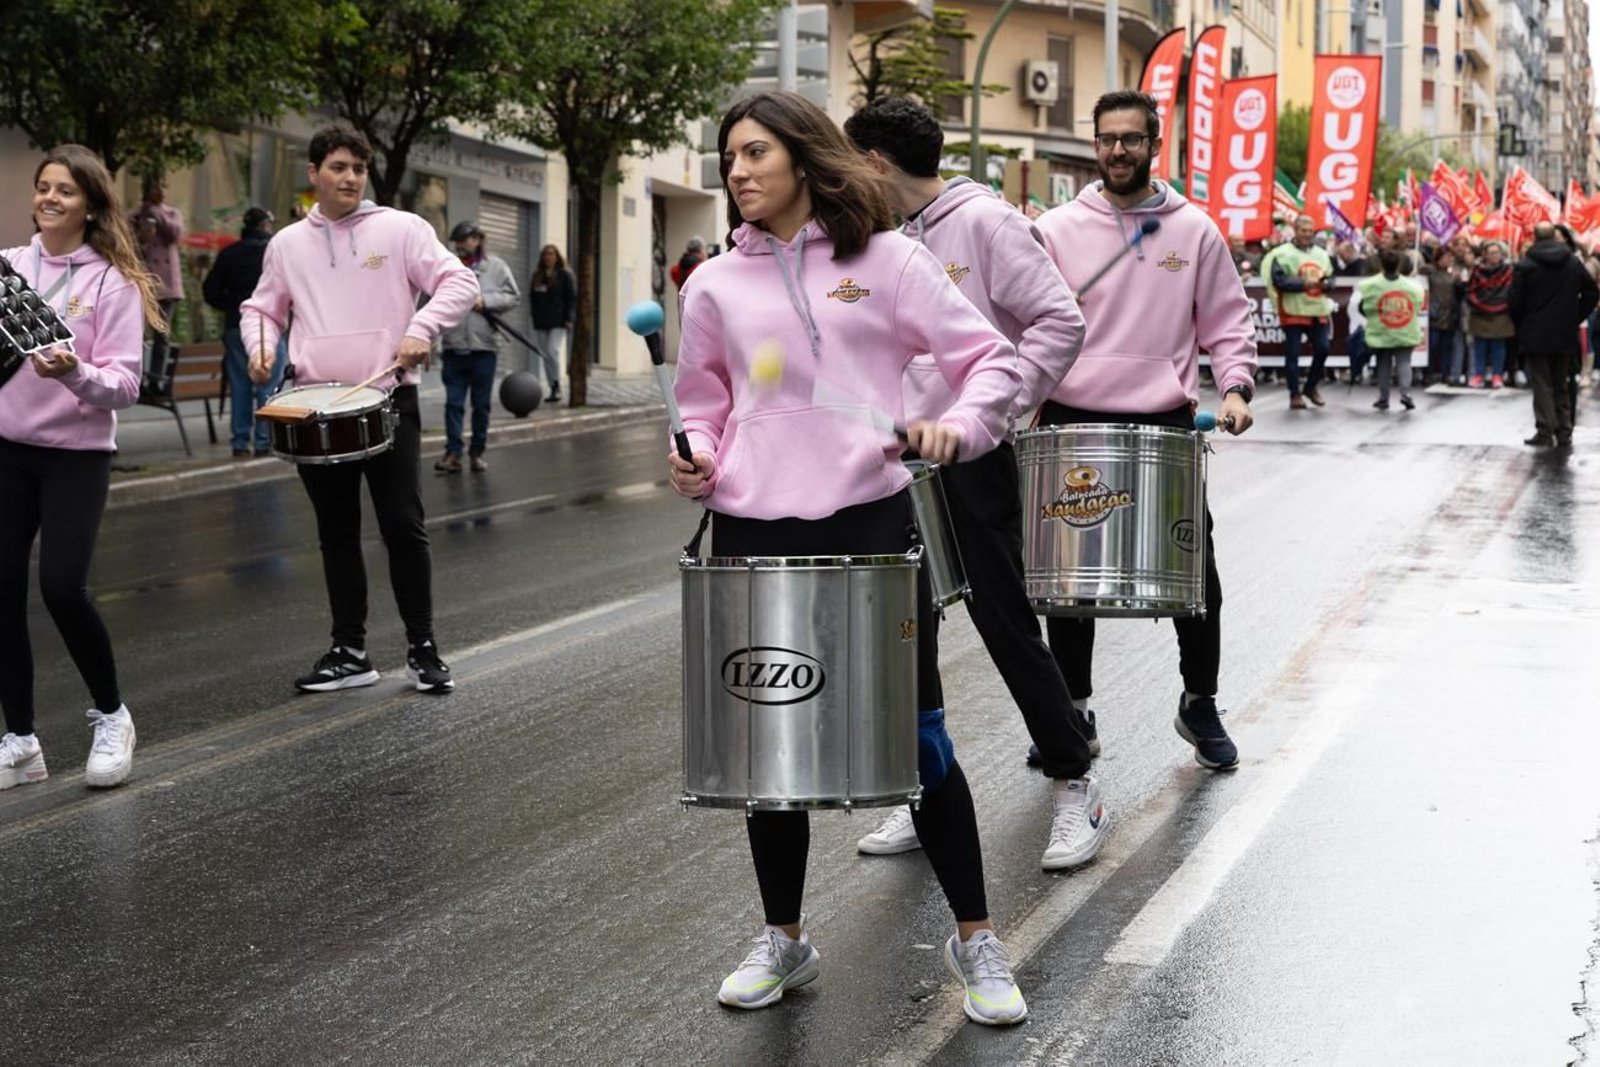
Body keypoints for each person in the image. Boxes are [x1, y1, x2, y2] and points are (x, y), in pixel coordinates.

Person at [671, 90, 1029, 1026]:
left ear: (803, 155)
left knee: (918, 743)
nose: (739, 171)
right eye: (729, 157)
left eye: (755, 152)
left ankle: (977, 936)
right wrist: (699, 454)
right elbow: (701, 399)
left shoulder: (891, 261)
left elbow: (991, 360)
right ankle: (784, 939)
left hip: (870, 523)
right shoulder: (711, 286)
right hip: (752, 530)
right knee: (767, 746)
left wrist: (960, 426)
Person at [843, 95, 1106, 871]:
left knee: (1003, 619)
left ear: (877, 163)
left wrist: (991, 415)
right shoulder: (880, 240)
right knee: (905, 628)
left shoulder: (986, 223)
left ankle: (1073, 777)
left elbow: (1059, 322)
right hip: (894, 462)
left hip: (971, 454)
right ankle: (921, 787)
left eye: (853, 163)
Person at [1033, 90, 1257, 772]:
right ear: (1094, 143)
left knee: (1195, 575)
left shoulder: (1192, 230)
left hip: (1163, 420)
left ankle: (1200, 701)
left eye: (1132, 138)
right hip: (1073, 417)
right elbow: (1021, 321)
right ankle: (1072, 712)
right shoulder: (1056, 229)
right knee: (1069, 583)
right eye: (1107, 138)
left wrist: (1238, 386)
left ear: (1155, 143)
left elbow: (1227, 319)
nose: (1119, 150)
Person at [241, 122, 477, 695]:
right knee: (336, 533)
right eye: (339, 167)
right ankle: (349, 651)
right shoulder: (287, 244)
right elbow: (262, 309)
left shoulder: (401, 229)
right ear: (314, 174)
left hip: (388, 397)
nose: (350, 178)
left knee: (403, 526)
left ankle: (422, 649)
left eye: (358, 168)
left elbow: (459, 282)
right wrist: (261, 348)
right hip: (316, 409)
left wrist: (421, 327)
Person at [0, 145, 163, 792]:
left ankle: (113, 716)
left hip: (77, 456)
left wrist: (77, 373)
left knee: (62, 588)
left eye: (64, 190)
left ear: (90, 205)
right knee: (1, 591)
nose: (49, 197)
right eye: (43, 186)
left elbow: (125, 385)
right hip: (7, 450)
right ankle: (20, 741)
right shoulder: (8, 267)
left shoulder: (110, 281)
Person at [436, 220, 520, 474]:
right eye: (458, 242)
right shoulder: (447, 267)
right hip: (453, 347)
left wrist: (486, 300)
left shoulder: (496, 266)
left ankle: (477, 453)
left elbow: (513, 296)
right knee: (453, 403)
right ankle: (453, 453)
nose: (462, 245)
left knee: (481, 405)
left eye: (466, 240)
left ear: (478, 239)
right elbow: (434, 299)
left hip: (484, 349)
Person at [202, 207, 286, 456]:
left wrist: (231, 305)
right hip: (268, 325)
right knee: (267, 384)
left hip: (235, 326)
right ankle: (264, 441)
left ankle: (240, 442)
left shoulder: (229, 253)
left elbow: (211, 292)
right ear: (264, 226)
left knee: (239, 384)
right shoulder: (274, 251)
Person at [1509, 222, 1598, 448]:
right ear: (1555, 237)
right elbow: (1592, 292)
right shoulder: (1572, 262)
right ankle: (1564, 430)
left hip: (1535, 333)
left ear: (1535, 237)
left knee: (1542, 383)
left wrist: (1523, 323)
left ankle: (1545, 430)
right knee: (1562, 382)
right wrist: (1575, 316)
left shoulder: (1526, 265)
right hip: (1564, 333)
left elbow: (1514, 302)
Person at [1260, 214, 1333, 409]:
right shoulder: (1282, 253)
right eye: (1304, 230)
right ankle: (1294, 394)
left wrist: (1327, 285)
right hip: (1293, 310)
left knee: (1323, 348)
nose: (1307, 234)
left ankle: (1310, 387)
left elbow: (1331, 278)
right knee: (1293, 353)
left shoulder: (1322, 254)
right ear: (1296, 231)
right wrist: (1303, 283)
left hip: (1317, 308)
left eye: (1310, 231)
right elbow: (1279, 280)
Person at [130, 177, 184, 390]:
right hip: (142, 283)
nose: (159, 190)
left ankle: (156, 381)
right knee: (136, 334)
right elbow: (128, 245)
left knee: (162, 336)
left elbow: (174, 234)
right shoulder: (134, 216)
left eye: (163, 186)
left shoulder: (172, 214)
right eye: (155, 186)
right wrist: (141, 234)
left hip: (166, 285)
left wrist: (156, 212)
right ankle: (137, 378)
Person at [1357, 248, 1426, 411]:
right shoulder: (1412, 287)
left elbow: (1363, 307)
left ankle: (1383, 397)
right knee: (1404, 362)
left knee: (1383, 364)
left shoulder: (1371, 285)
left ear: (1381, 264)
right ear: (1399, 265)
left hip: (1381, 331)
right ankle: (1406, 394)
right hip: (1405, 331)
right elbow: (1417, 306)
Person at [527, 244, 574, 403]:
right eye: (545, 254)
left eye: (551, 254)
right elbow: (532, 298)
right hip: (541, 320)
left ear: (557, 257)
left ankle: (557, 384)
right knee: (545, 355)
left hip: (558, 320)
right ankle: (552, 387)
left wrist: (569, 318)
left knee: (552, 350)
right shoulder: (537, 276)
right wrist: (533, 316)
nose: (548, 257)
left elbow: (571, 298)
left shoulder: (564, 275)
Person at [1466, 241, 1514, 389]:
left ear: (1501, 254)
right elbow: (1470, 289)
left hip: (1501, 313)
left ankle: (1497, 375)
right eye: (1491, 253)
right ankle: (1478, 375)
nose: (1494, 256)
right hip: (1479, 313)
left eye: (1496, 253)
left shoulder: (1508, 270)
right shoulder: (1476, 271)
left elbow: (1510, 291)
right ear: (1485, 255)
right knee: (1480, 346)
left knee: (1498, 346)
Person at [1420, 245, 1466, 385]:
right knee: (1432, 345)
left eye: (1451, 257)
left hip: (1449, 315)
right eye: (1447, 256)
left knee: (1446, 347)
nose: (1449, 259)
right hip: (1434, 314)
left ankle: (1445, 374)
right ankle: (1428, 373)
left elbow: (1459, 294)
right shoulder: (1430, 271)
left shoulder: (1454, 274)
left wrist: (1459, 282)